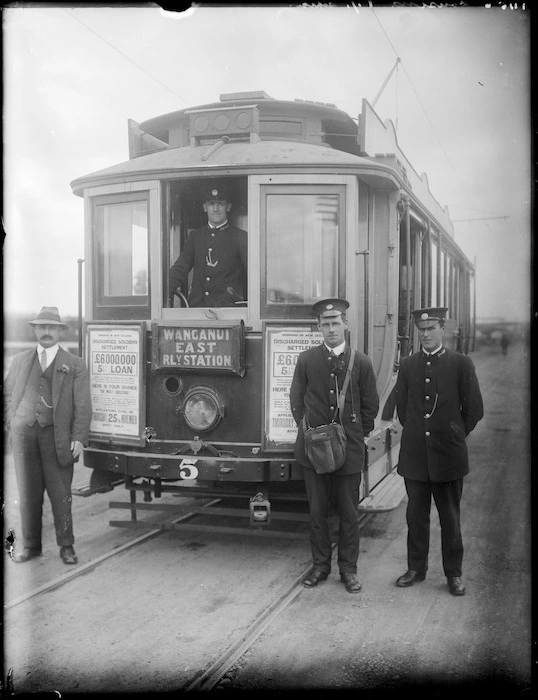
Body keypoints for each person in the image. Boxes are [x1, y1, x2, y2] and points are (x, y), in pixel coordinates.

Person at [290, 298, 379, 593]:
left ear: (346, 325)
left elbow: (370, 406)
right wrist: (309, 431)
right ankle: (320, 566)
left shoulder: (361, 362)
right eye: (325, 324)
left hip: (349, 452)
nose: (331, 329)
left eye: (335, 323)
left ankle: (348, 570)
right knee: (317, 512)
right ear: (319, 327)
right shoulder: (306, 359)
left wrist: (353, 436)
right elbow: (296, 400)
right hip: (313, 451)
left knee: (349, 514)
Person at [394, 307, 484, 596]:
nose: (426, 334)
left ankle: (453, 574)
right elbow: (403, 409)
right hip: (416, 457)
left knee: (450, 519)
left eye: (432, 328)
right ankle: (416, 569)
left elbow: (474, 410)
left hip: (449, 457)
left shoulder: (461, 363)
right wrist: (421, 436)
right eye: (422, 329)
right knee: (415, 517)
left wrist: (455, 435)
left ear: (443, 329)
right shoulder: (408, 365)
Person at [4, 306, 92, 565]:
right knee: (28, 494)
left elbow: (83, 404)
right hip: (24, 437)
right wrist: (13, 422)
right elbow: (8, 394)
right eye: (41, 327)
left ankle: (67, 547)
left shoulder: (74, 364)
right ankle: (31, 546)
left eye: (51, 327)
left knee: (61, 494)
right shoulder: (21, 360)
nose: (46, 332)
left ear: (60, 331)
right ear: (35, 330)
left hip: (58, 438)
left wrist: (78, 436)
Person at [169, 183, 247, 307]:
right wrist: (161, 290)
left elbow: (250, 275)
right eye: (211, 204)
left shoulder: (241, 237)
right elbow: (180, 268)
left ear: (228, 207)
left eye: (221, 204)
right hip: (197, 308)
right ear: (205, 207)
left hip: (229, 310)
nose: (215, 209)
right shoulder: (195, 237)